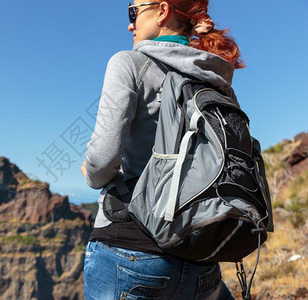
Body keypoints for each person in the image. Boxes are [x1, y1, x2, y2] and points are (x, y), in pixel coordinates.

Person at [81, 1, 243, 299]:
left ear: (162, 11)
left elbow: (102, 162)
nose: (130, 24)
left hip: (132, 252)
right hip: (200, 257)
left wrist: (90, 172)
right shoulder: (214, 77)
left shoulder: (129, 63)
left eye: (133, 12)